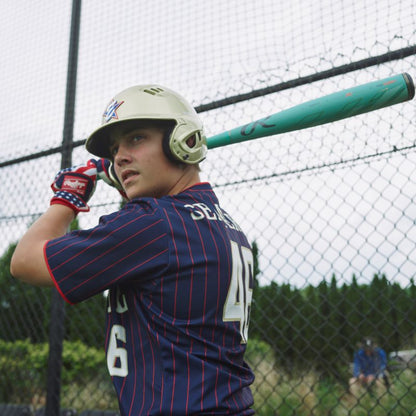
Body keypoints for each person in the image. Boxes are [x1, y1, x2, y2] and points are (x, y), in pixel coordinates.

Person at [10, 85, 255, 415]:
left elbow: (24, 260)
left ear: (182, 141)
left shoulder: (153, 225)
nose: (120, 156)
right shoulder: (227, 226)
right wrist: (129, 184)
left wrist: (68, 199)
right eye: (114, 150)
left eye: (136, 138)